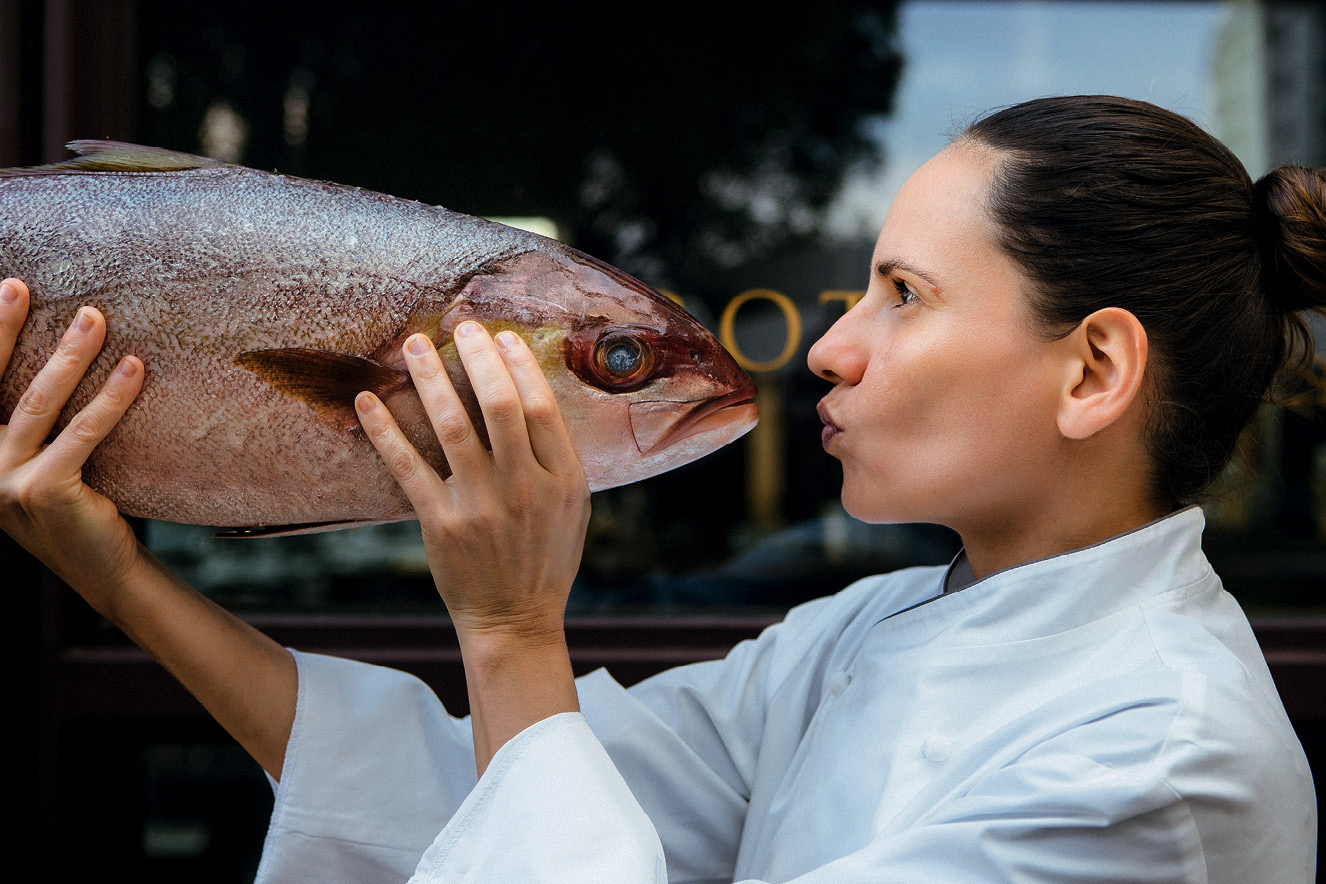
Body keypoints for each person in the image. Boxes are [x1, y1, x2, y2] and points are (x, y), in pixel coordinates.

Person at [0, 94, 1318, 882]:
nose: (828, 349)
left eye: (904, 295)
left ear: (1092, 370)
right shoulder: (861, 635)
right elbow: (464, 790)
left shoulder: (1160, 760)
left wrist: (513, 628)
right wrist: (118, 578)